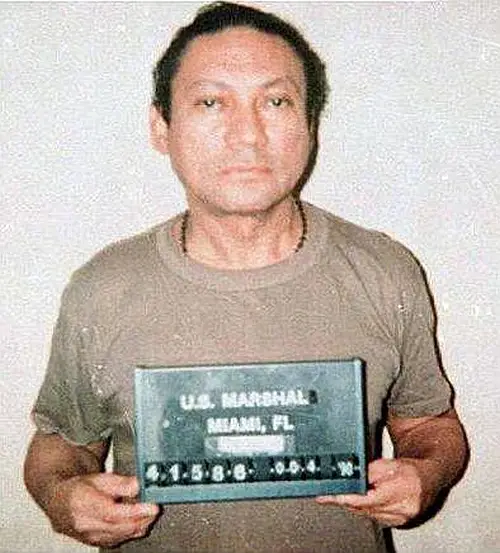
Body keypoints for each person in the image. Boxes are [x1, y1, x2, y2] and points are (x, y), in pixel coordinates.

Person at [24, 3, 468, 552]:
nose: (247, 135)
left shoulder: (384, 272)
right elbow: (61, 444)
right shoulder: (102, 288)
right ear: (161, 127)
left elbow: (429, 425)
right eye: (211, 102)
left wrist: (426, 474)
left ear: (310, 125)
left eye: (275, 102)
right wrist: (61, 496)